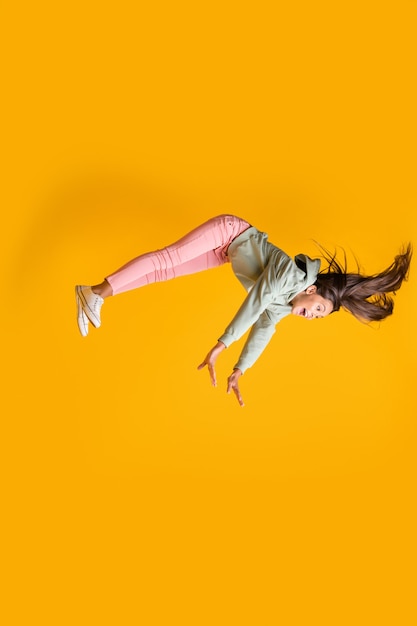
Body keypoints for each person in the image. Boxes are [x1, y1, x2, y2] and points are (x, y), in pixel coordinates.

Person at [75, 214, 412, 406]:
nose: (312, 317)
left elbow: (264, 327)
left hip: (225, 254)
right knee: (168, 259)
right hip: (230, 232)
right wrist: (223, 343)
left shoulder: (286, 305)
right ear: (312, 290)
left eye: (319, 318)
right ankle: (98, 293)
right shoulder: (290, 276)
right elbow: (256, 301)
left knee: (165, 273)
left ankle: (92, 293)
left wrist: (241, 368)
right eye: (318, 309)